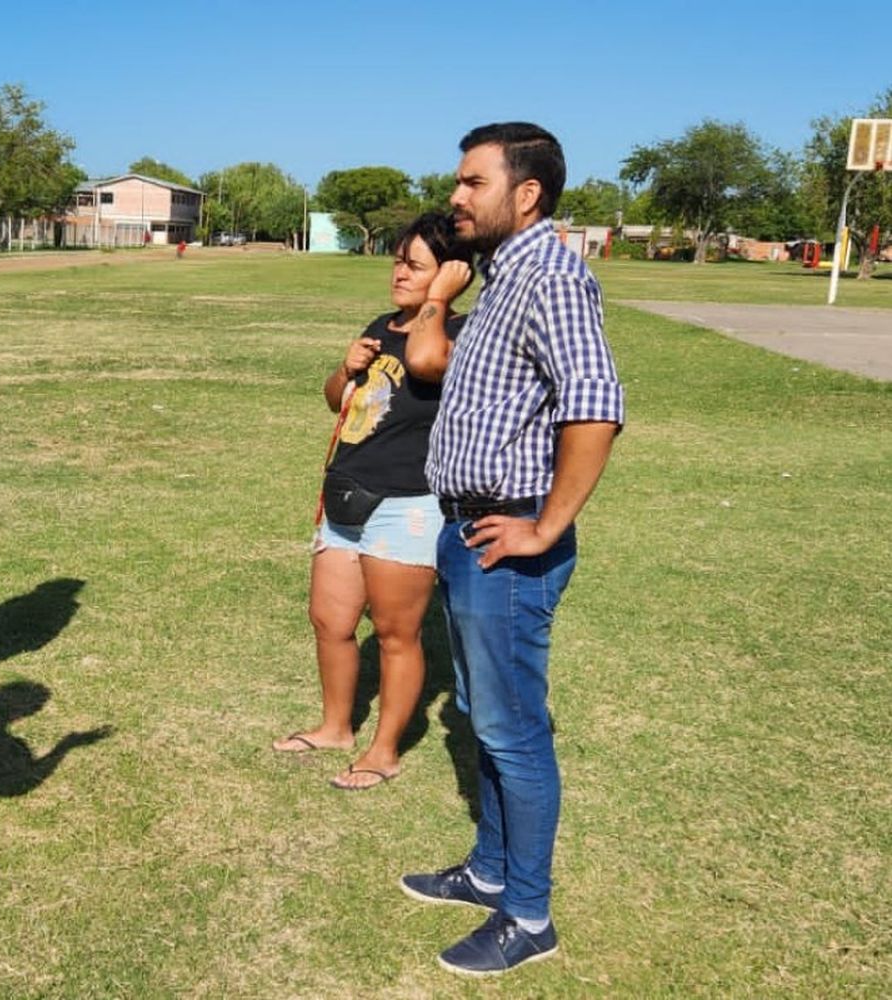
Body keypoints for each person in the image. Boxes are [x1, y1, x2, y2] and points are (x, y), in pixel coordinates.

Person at [398, 123, 625, 977]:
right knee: (485, 720)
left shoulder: (556, 275)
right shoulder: (503, 277)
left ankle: (528, 916)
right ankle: (490, 869)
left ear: (526, 193)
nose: (455, 197)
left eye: (471, 183)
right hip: (468, 531)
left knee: (512, 729)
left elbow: (595, 404)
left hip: (509, 538)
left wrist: (546, 524)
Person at [273, 213, 473, 789]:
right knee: (330, 621)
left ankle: (384, 751)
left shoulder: (459, 334)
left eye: (416, 265)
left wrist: (436, 302)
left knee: (394, 633)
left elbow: (427, 366)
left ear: (452, 275)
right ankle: (336, 726)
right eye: (398, 261)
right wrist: (345, 367)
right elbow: (338, 402)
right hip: (346, 497)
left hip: (407, 504)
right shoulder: (379, 325)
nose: (400, 273)